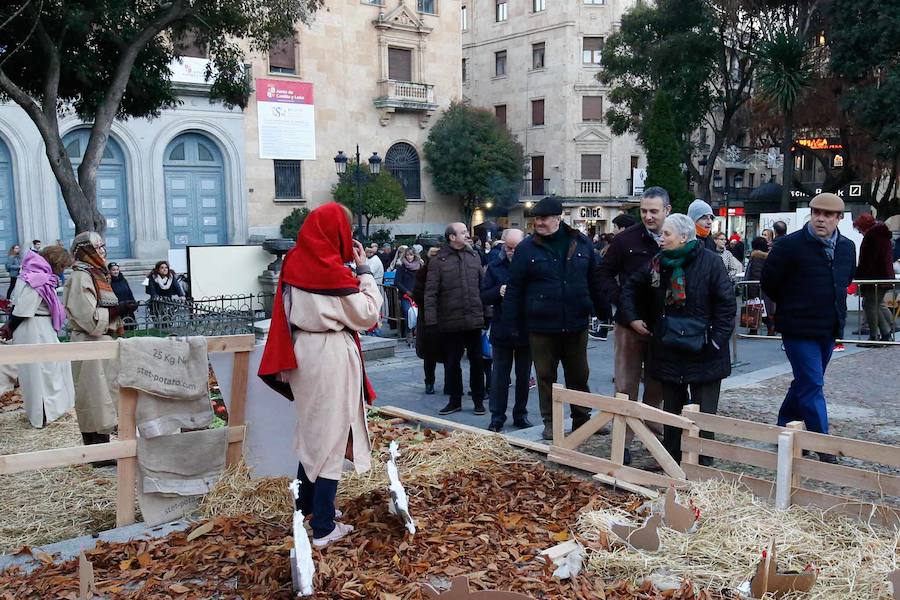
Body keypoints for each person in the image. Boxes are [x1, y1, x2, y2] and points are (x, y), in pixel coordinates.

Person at [258, 202, 381, 547]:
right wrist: (365, 271)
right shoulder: (332, 270)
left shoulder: (294, 261)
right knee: (330, 433)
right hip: (329, 352)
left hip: (304, 350)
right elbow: (368, 315)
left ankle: (307, 507)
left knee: (315, 429)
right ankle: (324, 527)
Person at [620, 214, 735, 465]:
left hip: (705, 349)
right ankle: (671, 458)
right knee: (672, 410)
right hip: (669, 348)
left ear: (684, 237)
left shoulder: (711, 263)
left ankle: (702, 461)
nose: (661, 238)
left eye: (667, 234)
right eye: (661, 234)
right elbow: (630, 286)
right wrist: (633, 318)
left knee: (704, 413)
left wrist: (716, 341)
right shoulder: (657, 263)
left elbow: (726, 305)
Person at [761, 193, 856, 462]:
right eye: (816, 213)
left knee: (805, 382)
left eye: (827, 215)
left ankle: (783, 429)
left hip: (828, 326)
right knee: (812, 382)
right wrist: (792, 303)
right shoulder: (790, 245)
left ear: (838, 218)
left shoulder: (847, 247)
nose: (821, 219)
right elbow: (770, 281)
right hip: (797, 327)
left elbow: (845, 279)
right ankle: (822, 444)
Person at [502, 197, 605, 440]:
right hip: (541, 325)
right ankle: (551, 422)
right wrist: (511, 322)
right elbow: (515, 287)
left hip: (575, 322)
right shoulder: (527, 249)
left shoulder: (581, 243)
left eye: (543, 218)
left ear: (558, 218)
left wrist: (601, 310)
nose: (538, 222)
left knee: (579, 375)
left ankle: (582, 419)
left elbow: (594, 279)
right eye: (536, 218)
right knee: (546, 376)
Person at [597, 187, 670, 462]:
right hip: (629, 323)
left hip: (663, 325)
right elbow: (603, 273)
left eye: (654, 211)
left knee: (657, 386)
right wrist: (622, 307)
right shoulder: (625, 239)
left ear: (667, 210)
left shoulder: (676, 238)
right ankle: (622, 445)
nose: (648, 216)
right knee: (625, 386)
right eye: (644, 211)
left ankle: (654, 441)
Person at [64, 232, 136, 463]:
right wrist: (118, 310)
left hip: (103, 344)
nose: (103, 251)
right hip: (89, 344)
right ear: (86, 251)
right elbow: (89, 319)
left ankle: (105, 452)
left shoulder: (98, 274)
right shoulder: (80, 277)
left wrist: (119, 311)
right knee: (92, 396)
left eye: (103, 246)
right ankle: (97, 454)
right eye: (98, 247)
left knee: (106, 396)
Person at [1, 246, 75, 428]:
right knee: (43, 373)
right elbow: (24, 308)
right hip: (36, 330)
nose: (63, 270)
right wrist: (10, 326)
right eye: (63, 267)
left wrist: (10, 326)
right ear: (56, 263)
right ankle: (45, 415)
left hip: (36, 326)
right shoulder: (38, 278)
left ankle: (47, 413)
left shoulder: (30, 273)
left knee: (43, 372)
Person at [425, 222, 486, 416]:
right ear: (452, 237)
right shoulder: (438, 260)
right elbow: (431, 292)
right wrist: (431, 321)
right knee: (452, 364)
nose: (468, 235)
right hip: (450, 321)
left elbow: (482, 287)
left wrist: (488, 314)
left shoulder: (474, 256)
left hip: (474, 319)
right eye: (464, 232)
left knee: (477, 362)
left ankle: (478, 400)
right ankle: (455, 400)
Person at [481, 229, 532, 432]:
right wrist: (497, 291)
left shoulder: (531, 266)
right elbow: (484, 295)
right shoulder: (495, 267)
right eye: (508, 248)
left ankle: (520, 414)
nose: (511, 252)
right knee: (499, 376)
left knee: (523, 376)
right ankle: (497, 417)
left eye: (515, 248)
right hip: (502, 328)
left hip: (525, 328)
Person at [853, 213, 894, 343]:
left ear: (863, 227)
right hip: (884, 276)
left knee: (869, 304)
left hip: (875, 276)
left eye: (859, 229)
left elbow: (867, 261)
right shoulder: (882, 235)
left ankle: (874, 336)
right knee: (875, 304)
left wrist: (860, 278)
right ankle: (885, 334)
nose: (859, 232)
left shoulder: (872, 236)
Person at [413, 246, 443, 394]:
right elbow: (417, 295)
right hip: (427, 318)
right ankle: (429, 381)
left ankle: (450, 384)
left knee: (448, 353)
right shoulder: (422, 274)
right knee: (429, 355)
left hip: (445, 317)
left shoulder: (446, 272)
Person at [744, 237, 775, 336]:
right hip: (765, 287)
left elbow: (755, 273)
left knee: (755, 307)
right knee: (764, 309)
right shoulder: (767, 257)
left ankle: (757, 329)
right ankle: (769, 328)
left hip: (756, 286)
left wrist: (751, 289)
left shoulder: (756, 257)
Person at [145, 261, 186, 329]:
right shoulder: (152, 277)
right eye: (162, 268)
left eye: (166, 267)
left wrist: (181, 295)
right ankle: (158, 328)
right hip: (156, 301)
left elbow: (177, 286)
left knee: (168, 317)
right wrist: (155, 296)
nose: (165, 269)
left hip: (167, 300)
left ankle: (167, 328)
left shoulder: (171, 277)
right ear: (158, 269)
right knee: (157, 317)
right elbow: (151, 289)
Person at [394, 247, 423, 338]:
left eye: (411, 255)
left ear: (414, 255)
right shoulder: (401, 267)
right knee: (408, 311)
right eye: (407, 255)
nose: (409, 257)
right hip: (405, 295)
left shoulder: (420, 266)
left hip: (418, 294)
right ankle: (409, 332)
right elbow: (397, 282)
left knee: (422, 311)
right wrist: (406, 291)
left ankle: (419, 332)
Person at [108, 262, 137, 327]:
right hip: (117, 307)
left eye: (117, 269)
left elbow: (129, 291)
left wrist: (133, 301)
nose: (116, 272)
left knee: (131, 324)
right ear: (109, 271)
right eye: (113, 270)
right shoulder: (109, 281)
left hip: (127, 305)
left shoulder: (123, 279)